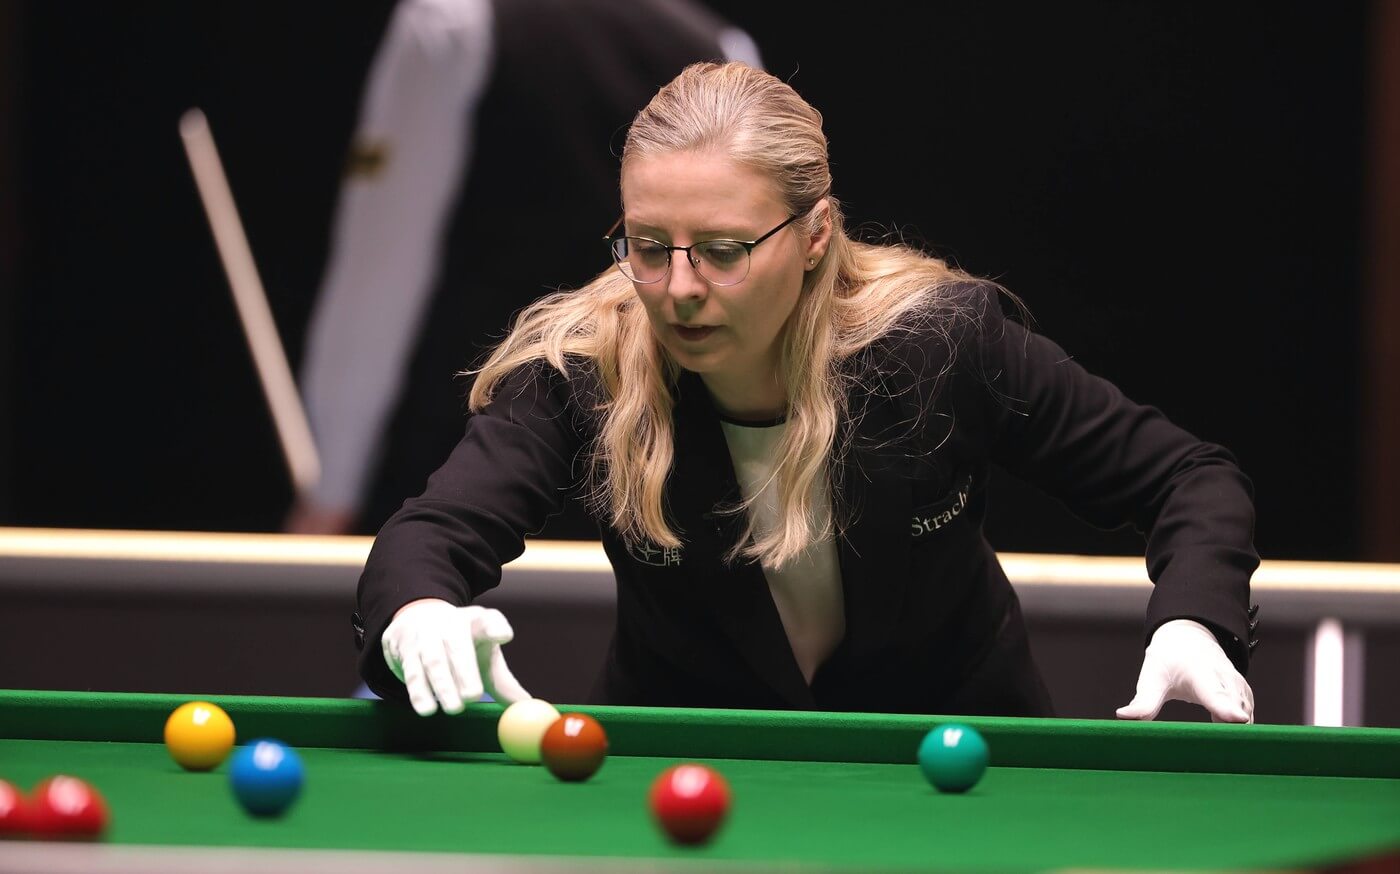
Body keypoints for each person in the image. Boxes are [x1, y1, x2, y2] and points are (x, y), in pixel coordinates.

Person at [353, 61, 1260, 722]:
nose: (678, 289)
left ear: (816, 233)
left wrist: (1193, 620)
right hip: (688, 781)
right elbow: (428, 538)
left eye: (723, 250)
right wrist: (418, 610)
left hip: (964, 773)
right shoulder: (588, 365)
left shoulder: (941, 344)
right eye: (648, 245)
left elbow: (1188, 477)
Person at [288, 0, 762, 537]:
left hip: (467, 474)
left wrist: (333, 488)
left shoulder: (448, 23)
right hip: (651, 482)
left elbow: (381, 274)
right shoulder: (723, 47)